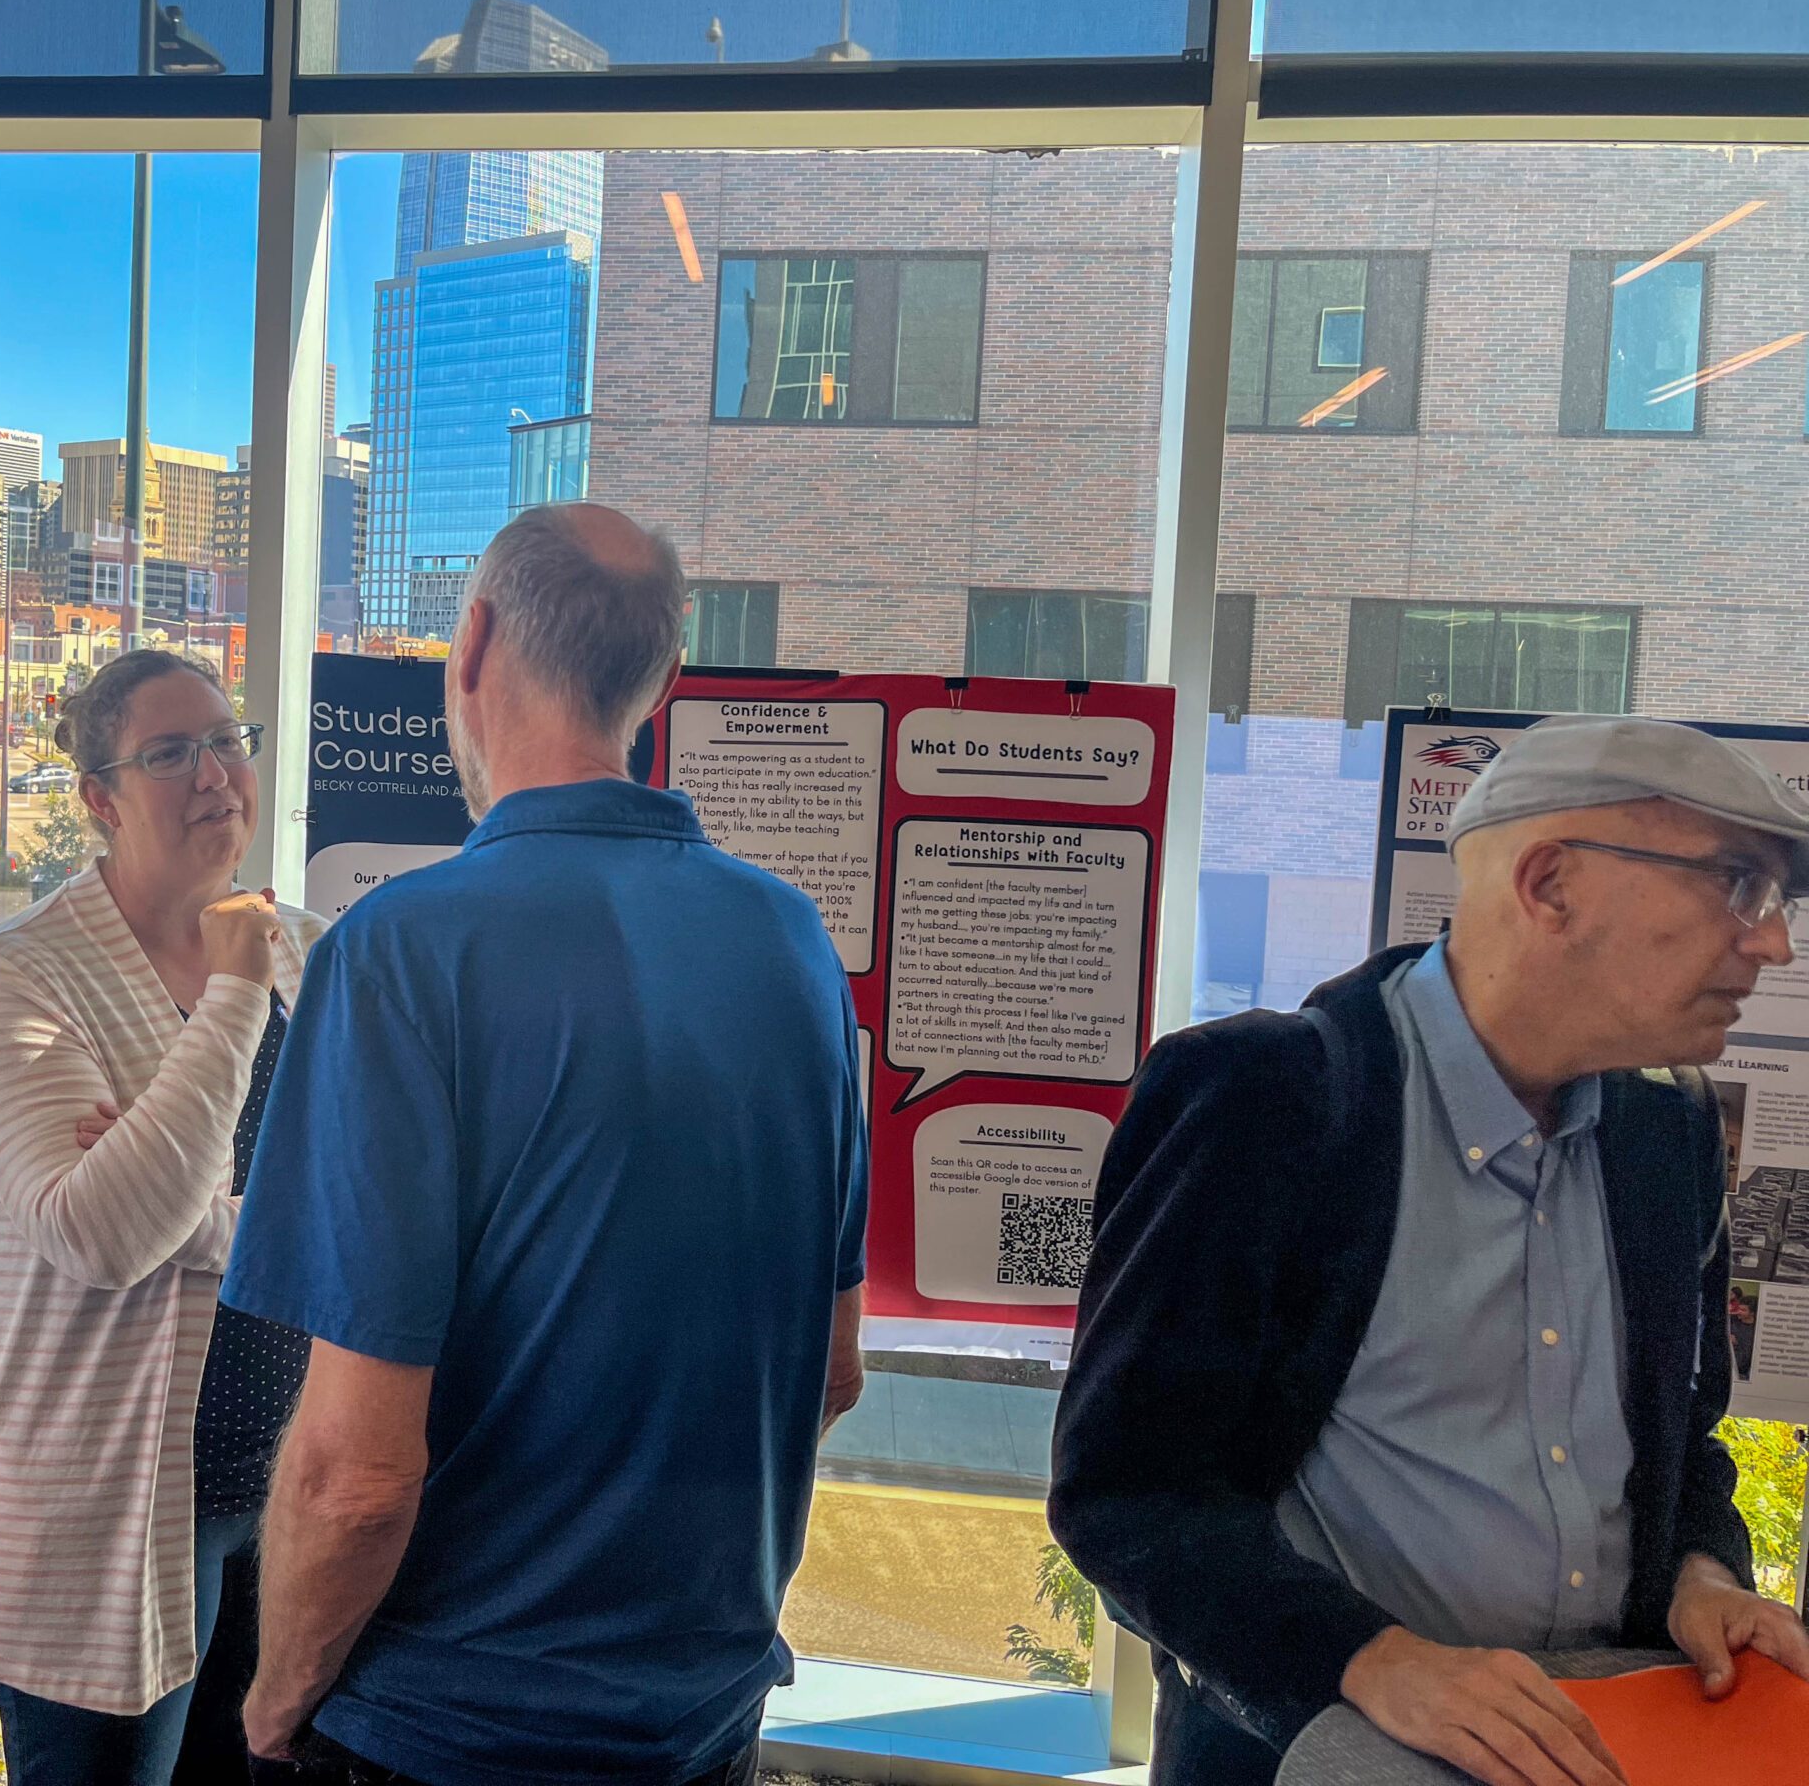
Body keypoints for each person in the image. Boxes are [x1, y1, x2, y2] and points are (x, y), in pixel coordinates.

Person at [220, 504, 870, 1786]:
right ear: (660, 677)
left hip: (443, 1730)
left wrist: (276, 1699)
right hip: (702, 1719)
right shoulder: (791, 945)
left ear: (471, 643)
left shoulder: (402, 954)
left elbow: (353, 1472)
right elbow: (832, 1370)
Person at [1050, 714, 1809, 1786]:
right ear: (1548, 885)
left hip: (1608, 1740)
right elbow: (1126, 1497)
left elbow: (1682, 1440)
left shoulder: (1667, 1132)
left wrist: (1699, 1577)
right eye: (1737, 883)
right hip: (1317, 1757)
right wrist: (1367, 1658)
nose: (1773, 942)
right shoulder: (1267, 1102)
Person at [0, 649, 323, 1786]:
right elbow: (103, 1236)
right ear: (99, 799)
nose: (214, 772)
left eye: (226, 739)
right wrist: (233, 992)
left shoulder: (308, 948)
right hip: (100, 1512)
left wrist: (192, 1211)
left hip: (280, 1483)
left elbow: (366, 1205)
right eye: (169, 753)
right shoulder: (20, 977)